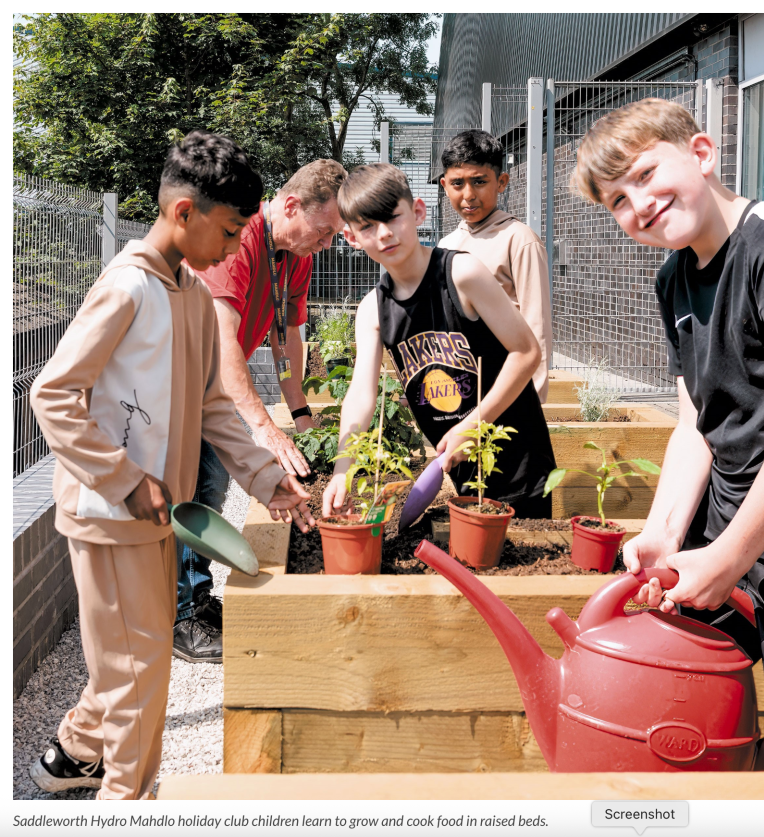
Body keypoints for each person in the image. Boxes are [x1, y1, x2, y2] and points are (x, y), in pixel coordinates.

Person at [28, 131, 316, 799]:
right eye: (228, 229)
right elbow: (53, 393)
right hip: (110, 512)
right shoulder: (127, 288)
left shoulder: (186, 291)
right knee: (139, 664)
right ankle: (127, 797)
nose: (234, 244)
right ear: (182, 212)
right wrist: (125, 479)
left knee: (132, 652)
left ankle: (71, 752)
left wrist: (269, 478)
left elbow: (214, 403)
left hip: (157, 514)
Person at [573, 98, 764, 770]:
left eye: (643, 175)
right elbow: (694, 423)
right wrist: (663, 531)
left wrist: (727, 555)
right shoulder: (672, 277)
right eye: (616, 199)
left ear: (700, 154)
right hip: (729, 525)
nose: (636, 204)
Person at [174, 159, 347, 663]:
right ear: (291, 205)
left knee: (211, 485)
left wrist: (300, 411)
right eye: (325, 229)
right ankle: (181, 616)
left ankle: (196, 601)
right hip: (179, 378)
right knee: (193, 488)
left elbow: (287, 336)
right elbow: (223, 341)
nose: (329, 242)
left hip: (209, 386)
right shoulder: (241, 238)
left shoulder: (296, 254)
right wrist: (265, 430)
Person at [322, 163, 555, 521]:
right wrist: (343, 469)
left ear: (417, 211)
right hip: (460, 466)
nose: (384, 234)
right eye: (367, 226)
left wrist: (473, 425)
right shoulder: (373, 309)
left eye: (393, 218)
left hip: (518, 459)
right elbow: (361, 394)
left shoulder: (462, 274)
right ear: (351, 237)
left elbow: (526, 352)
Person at [438, 129, 553, 404]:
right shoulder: (445, 244)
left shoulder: (519, 239)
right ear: (444, 186)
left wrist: (530, 402)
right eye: (457, 184)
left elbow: (536, 325)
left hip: (506, 393)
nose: (468, 194)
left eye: (479, 182)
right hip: (457, 393)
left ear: (501, 182)